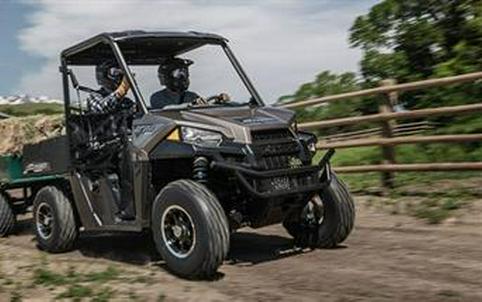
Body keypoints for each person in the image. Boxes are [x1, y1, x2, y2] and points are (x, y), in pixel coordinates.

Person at [87, 60, 135, 220]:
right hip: (104, 146)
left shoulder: (127, 102)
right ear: (103, 75)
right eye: (115, 72)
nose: (120, 75)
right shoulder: (94, 97)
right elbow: (101, 108)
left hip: (126, 142)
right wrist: (121, 91)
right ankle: (128, 208)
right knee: (126, 150)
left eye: (121, 72)